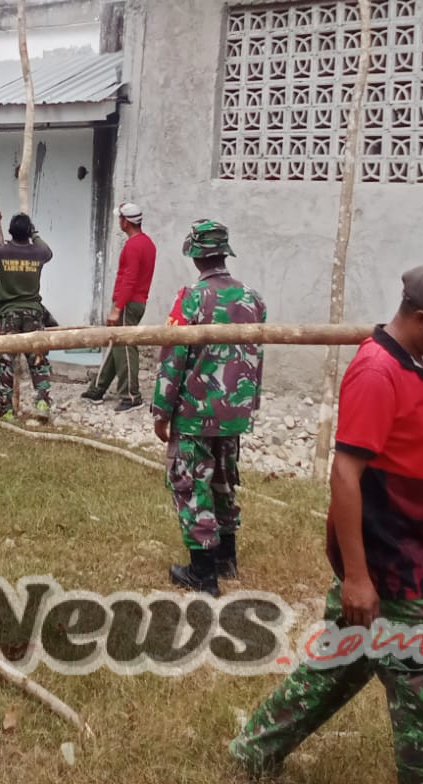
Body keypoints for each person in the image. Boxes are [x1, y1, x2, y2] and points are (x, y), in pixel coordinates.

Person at [230, 263, 423, 784]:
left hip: (416, 552)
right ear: (421, 317)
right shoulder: (378, 373)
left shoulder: (418, 363)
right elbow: (345, 474)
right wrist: (357, 576)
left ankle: (253, 751)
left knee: (335, 666)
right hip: (394, 565)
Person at [151, 219, 266, 596]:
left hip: (196, 410)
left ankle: (202, 572)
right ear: (223, 253)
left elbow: (174, 356)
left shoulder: (192, 298)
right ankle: (226, 558)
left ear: (196, 255)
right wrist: (250, 404)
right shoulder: (253, 299)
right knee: (224, 479)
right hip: (235, 410)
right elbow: (255, 355)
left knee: (191, 483)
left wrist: (161, 410)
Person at [84, 201, 157, 411]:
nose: (119, 221)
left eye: (120, 218)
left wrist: (117, 307)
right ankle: (97, 388)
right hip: (136, 301)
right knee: (115, 344)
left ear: (126, 221)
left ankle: (131, 396)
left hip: (129, 302)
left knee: (125, 347)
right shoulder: (148, 244)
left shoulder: (133, 246)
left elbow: (129, 279)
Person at [0, 213, 53, 423]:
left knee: (5, 361)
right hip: (34, 312)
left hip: (9, 314)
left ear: (10, 231)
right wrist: (35, 234)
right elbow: (48, 251)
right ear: (29, 231)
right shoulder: (39, 252)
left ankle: (5, 410)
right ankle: (42, 401)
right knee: (38, 359)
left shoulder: (1, 251)